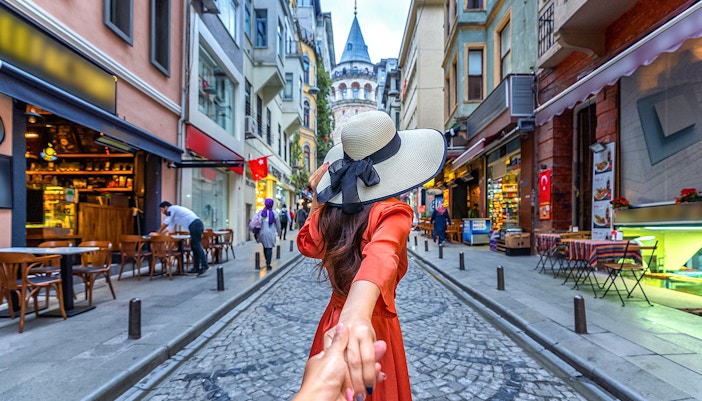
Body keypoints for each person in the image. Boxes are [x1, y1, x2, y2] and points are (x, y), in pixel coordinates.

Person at [297, 110, 446, 401]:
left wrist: (317, 203)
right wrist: (358, 315)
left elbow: (307, 244)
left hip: (334, 323)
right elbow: (382, 255)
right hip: (371, 327)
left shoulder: (330, 214)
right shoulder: (393, 211)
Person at [153, 201, 209, 277]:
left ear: (165, 207)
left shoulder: (171, 209)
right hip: (196, 225)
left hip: (195, 225)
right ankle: (196, 267)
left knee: (197, 245)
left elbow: (166, 222)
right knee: (194, 247)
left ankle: (205, 266)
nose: (162, 212)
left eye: (162, 210)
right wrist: (159, 234)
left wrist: (158, 233)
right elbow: (169, 227)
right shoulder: (174, 214)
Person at [254, 198, 280, 270]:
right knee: (269, 248)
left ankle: (267, 260)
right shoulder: (275, 213)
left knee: (265, 247)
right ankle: (268, 263)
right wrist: (279, 233)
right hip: (270, 233)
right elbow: (278, 225)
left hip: (262, 234)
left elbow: (256, 221)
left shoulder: (260, 212)